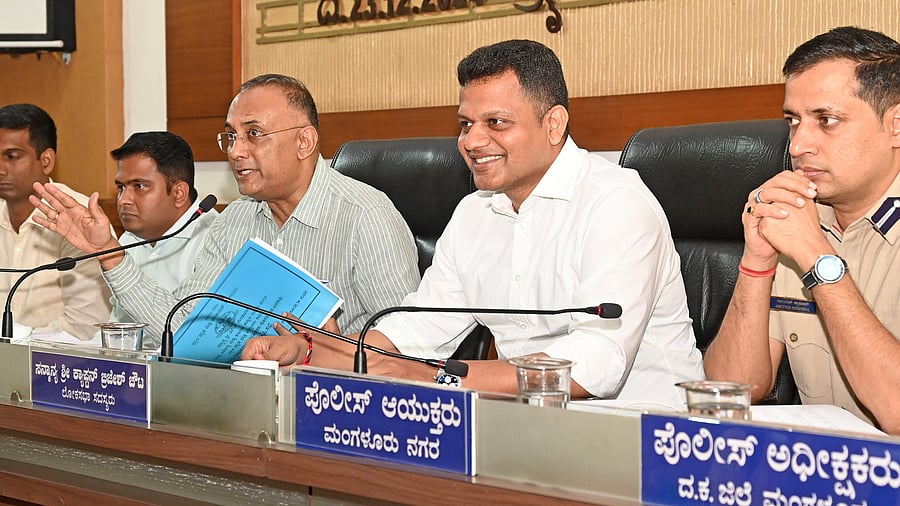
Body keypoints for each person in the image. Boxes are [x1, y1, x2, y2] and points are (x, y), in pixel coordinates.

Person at [244, 40, 704, 405]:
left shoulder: (616, 203)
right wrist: (312, 352)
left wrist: (439, 378)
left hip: (646, 434)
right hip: (529, 431)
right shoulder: (474, 213)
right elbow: (414, 331)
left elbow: (597, 365)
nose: (472, 141)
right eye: (466, 124)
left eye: (496, 122)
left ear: (554, 124)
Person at [30, 75, 420, 349]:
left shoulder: (364, 216)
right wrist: (111, 254)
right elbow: (183, 325)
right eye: (231, 136)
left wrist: (326, 348)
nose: (235, 151)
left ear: (304, 141)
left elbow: (411, 340)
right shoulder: (236, 221)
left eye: (253, 134)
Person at [704, 26, 900, 435]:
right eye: (793, 121)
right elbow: (729, 390)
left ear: (895, 124)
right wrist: (757, 261)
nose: (797, 145)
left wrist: (817, 257)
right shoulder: (797, 218)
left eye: (827, 121)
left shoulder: (805, 237)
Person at [0, 103, 111, 339]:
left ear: (46, 161)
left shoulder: (80, 220)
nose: (1, 169)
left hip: (54, 358)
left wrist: (13, 344)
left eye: (12, 157)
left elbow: (85, 327)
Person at [106, 131, 218, 324]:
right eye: (121, 188)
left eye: (139, 186)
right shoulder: (128, 239)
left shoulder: (214, 240)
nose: (124, 200)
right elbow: (118, 326)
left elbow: (188, 331)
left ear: (179, 193)